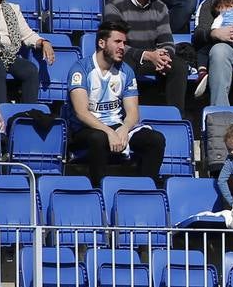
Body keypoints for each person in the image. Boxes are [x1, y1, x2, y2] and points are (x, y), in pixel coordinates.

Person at [65, 20, 166, 187]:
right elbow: (81, 112)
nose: (122, 47)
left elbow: (133, 113)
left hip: (116, 126)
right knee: (99, 138)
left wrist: (124, 129)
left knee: (155, 139)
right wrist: (109, 132)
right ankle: (100, 189)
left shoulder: (126, 70)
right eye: (117, 42)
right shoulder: (81, 69)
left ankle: (144, 189)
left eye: (124, 43)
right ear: (101, 43)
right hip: (87, 130)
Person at [103, 0, 191, 113]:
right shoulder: (114, 6)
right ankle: (124, 115)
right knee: (122, 63)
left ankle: (175, 116)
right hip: (126, 57)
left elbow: (167, 40)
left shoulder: (160, 6)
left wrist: (164, 56)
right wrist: (146, 55)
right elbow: (115, 45)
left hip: (152, 57)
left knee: (179, 66)